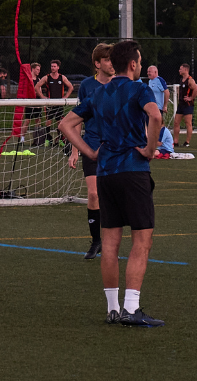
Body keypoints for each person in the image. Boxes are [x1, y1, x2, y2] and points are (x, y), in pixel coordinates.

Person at [63, 39, 164, 327]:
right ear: (132, 64)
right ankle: (131, 308)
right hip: (133, 171)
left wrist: (90, 152)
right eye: (140, 61)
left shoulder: (99, 93)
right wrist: (149, 149)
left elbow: (65, 125)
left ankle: (112, 309)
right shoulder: (139, 88)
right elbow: (155, 115)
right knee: (142, 239)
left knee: (109, 242)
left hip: (105, 172)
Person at [59, 45, 113, 260]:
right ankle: (96, 241)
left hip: (113, 148)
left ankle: (109, 243)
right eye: (107, 60)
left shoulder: (121, 85)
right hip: (91, 146)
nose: (111, 63)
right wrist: (75, 151)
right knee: (93, 194)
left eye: (113, 59)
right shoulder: (87, 86)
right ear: (97, 63)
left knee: (110, 197)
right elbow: (76, 121)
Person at [38, 60, 72, 148]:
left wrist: (65, 97)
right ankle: (47, 139)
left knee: (60, 123)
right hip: (50, 104)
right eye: (51, 66)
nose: (52, 68)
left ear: (58, 67)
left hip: (59, 104)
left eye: (54, 66)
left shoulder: (62, 77)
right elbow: (37, 87)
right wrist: (42, 96)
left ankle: (60, 139)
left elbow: (71, 87)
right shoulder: (47, 77)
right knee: (48, 122)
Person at [144, 65, 175, 159]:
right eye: (148, 71)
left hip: (158, 109)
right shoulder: (150, 81)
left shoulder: (159, 80)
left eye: (150, 71)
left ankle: (158, 146)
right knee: (148, 126)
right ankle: (150, 146)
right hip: (150, 109)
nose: (148, 73)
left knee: (157, 128)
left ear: (155, 72)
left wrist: (165, 105)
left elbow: (166, 92)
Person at [174, 64, 197, 147]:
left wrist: (191, 98)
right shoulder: (181, 79)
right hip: (181, 105)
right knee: (176, 122)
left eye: (180, 69)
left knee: (188, 123)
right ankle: (175, 142)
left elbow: (196, 89)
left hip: (187, 105)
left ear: (185, 70)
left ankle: (187, 142)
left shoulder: (190, 80)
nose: (179, 70)